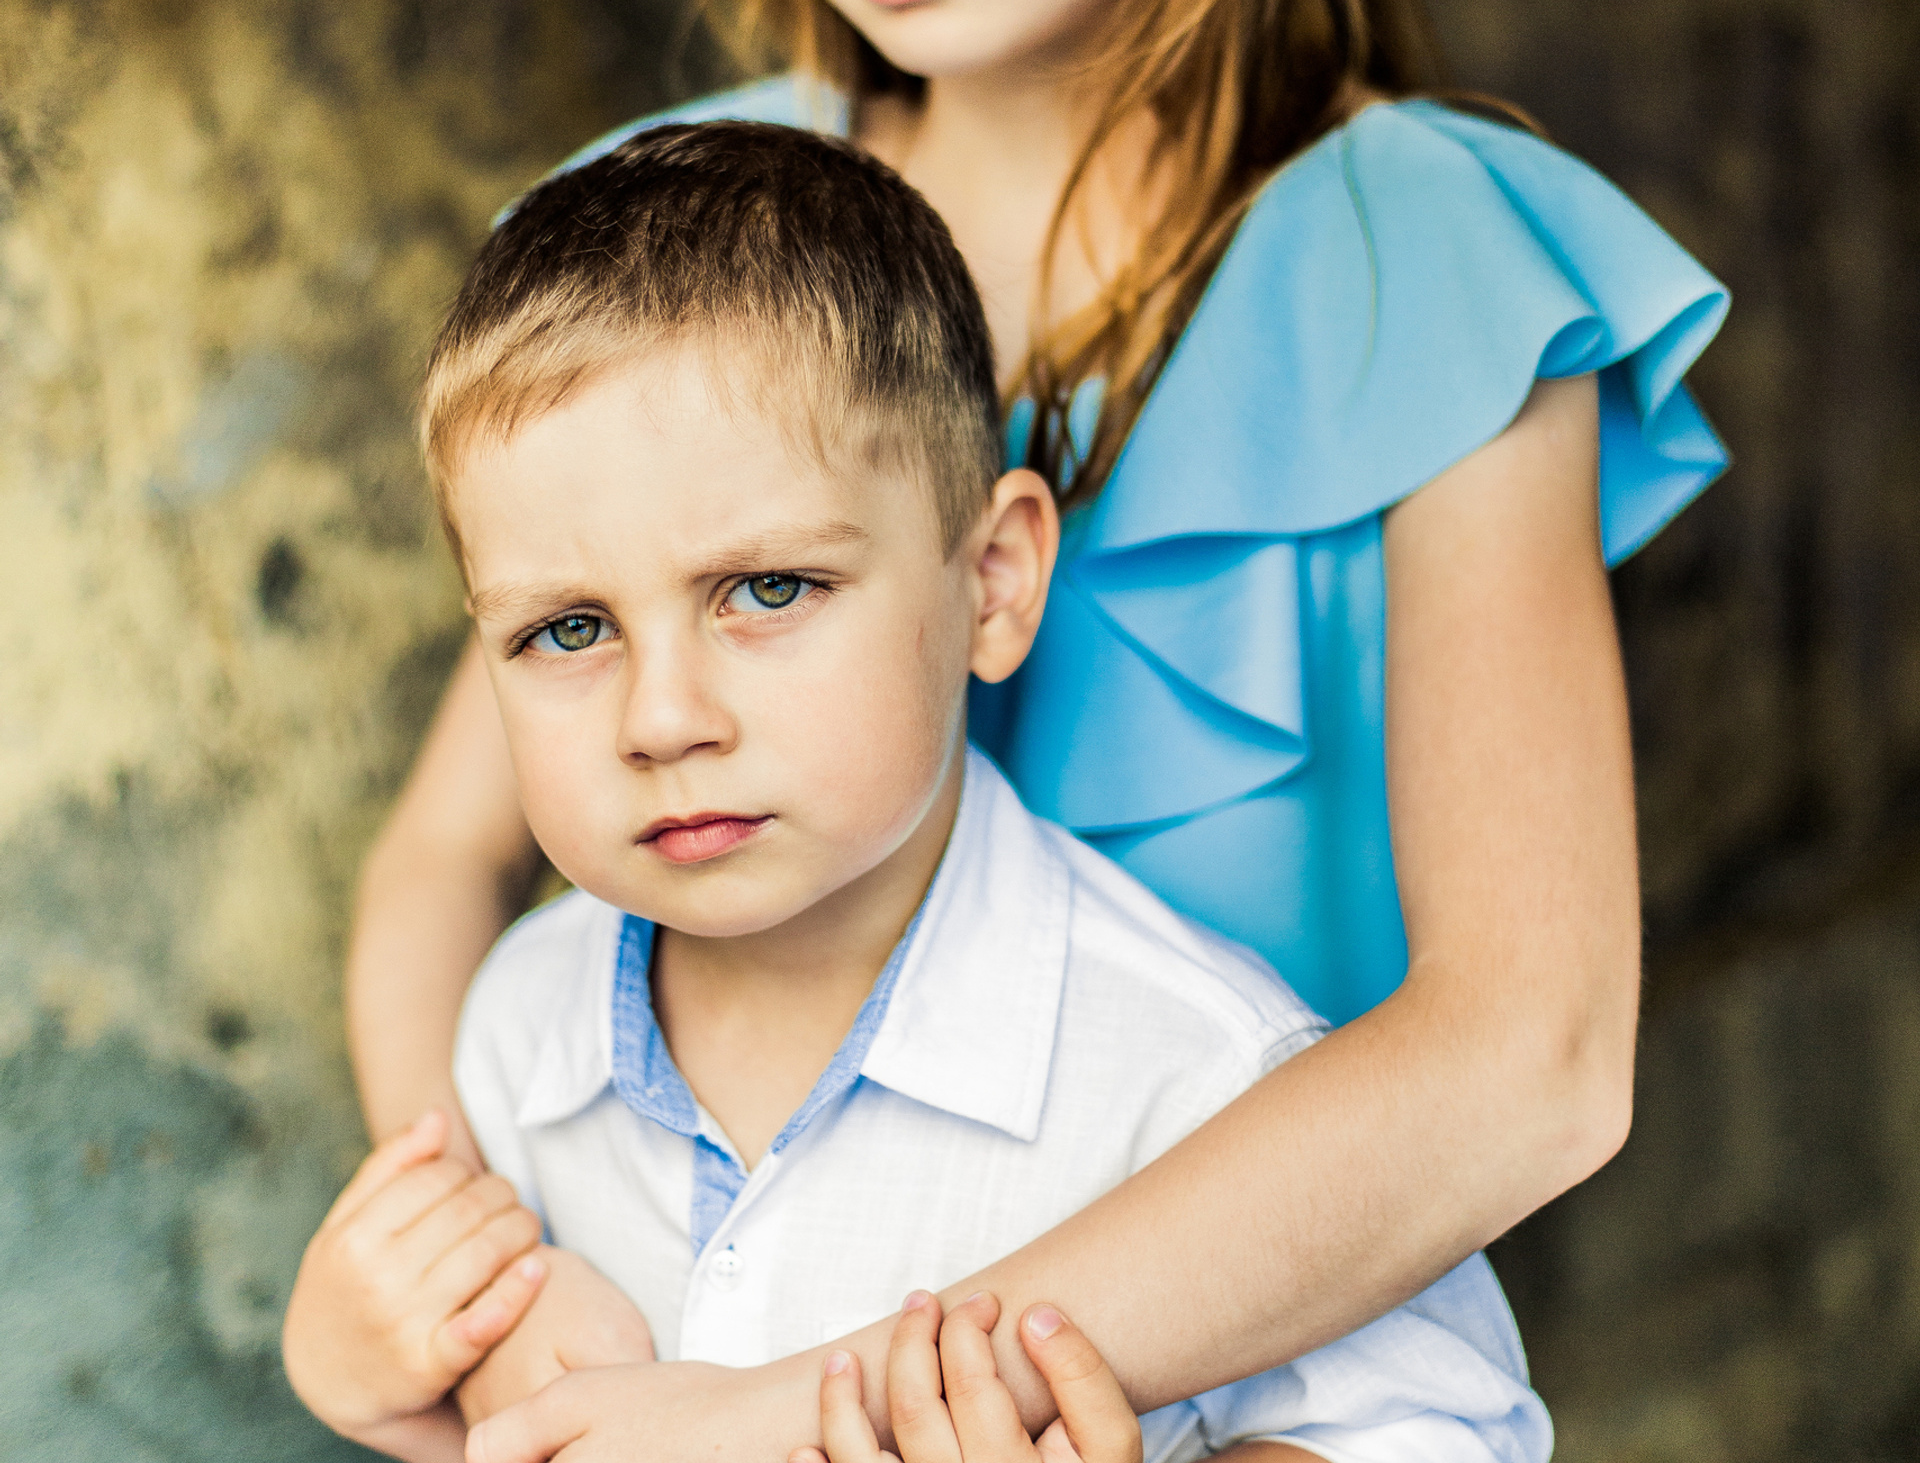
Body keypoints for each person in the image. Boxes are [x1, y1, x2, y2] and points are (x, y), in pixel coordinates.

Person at [329, 0, 1731, 1457]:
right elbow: (435, 869)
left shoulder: (1428, 258)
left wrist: (809, 1421)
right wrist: (490, 1300)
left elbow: (1533, 1060)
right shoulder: (693, 229)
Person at [291, 122, 1552, 1463]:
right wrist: (378, 1382)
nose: (661, 720)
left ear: (993, 584)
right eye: (568, 630)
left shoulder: (1204, 1082)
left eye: (768, 589)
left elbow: (1439, 1429)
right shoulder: (509, 1042)